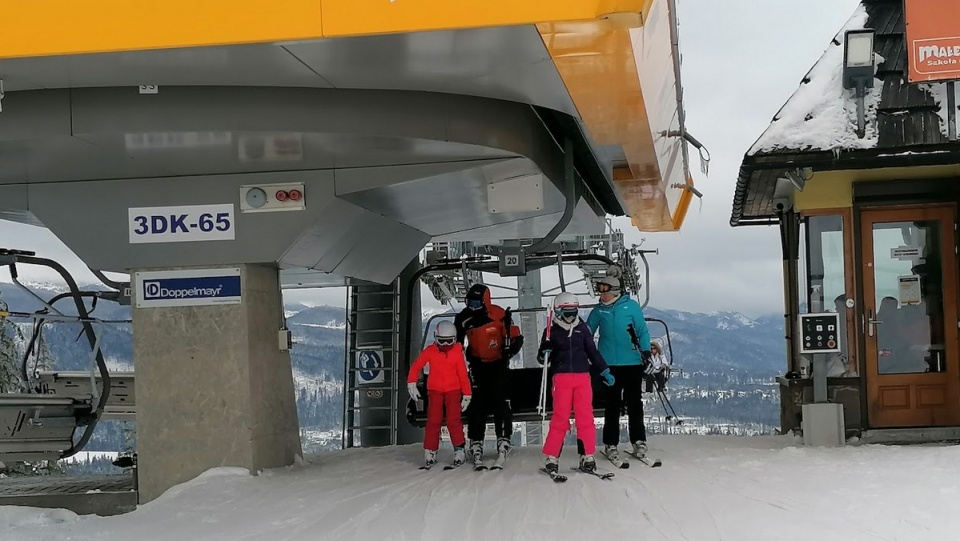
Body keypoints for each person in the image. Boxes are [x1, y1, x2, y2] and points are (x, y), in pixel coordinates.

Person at [537, 292, 615, 474]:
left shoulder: (582, 328)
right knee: (560, 418)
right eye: (567, 313)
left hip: (582, 378)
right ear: (557, 312)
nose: (571, 317)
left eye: (574, 312)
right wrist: (544, 351)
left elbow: (592, 352)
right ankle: (552, 456)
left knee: (585, 417)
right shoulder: (552, 331)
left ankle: (587, 455)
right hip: (562, 378)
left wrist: (604, 369)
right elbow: (542, 359)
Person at [585, 266, 654, 461]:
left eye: (604, 290)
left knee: (634, 403)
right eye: (600, 290)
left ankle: (638, 440)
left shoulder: (630, 307)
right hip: (609, 365)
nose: (601, 294)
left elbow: (642, 331)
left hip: (632, 362)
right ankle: (610, 443)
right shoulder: (598, 311)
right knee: (612, 405)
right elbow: (587, 335)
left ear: (614, 291)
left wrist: (647, 352)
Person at [453, 283, 523, 465]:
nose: (472, 307)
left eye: (476, 303)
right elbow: (458, 341)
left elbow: (515, 335)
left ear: (485, 302)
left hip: (498, 362)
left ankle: (503, 436)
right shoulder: (464, 318)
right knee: (477, 403)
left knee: (500, 399)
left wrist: (511, 349)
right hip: (477, 364)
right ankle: (476, 440)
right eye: (470, 302)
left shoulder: (499, 314)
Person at [406, 320, 473, 468]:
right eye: (441, 342)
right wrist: (411, 382)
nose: (445, 346)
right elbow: (416, 366)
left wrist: (467, 394)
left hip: (453, 391)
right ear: (436, 339)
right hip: (435, 390)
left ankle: (459, 449)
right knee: (433, 420)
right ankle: (430, 450)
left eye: (449, 341)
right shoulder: (431, 351)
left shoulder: (457, 353)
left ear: (454, 339)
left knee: (453, 420)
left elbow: (463, 375)